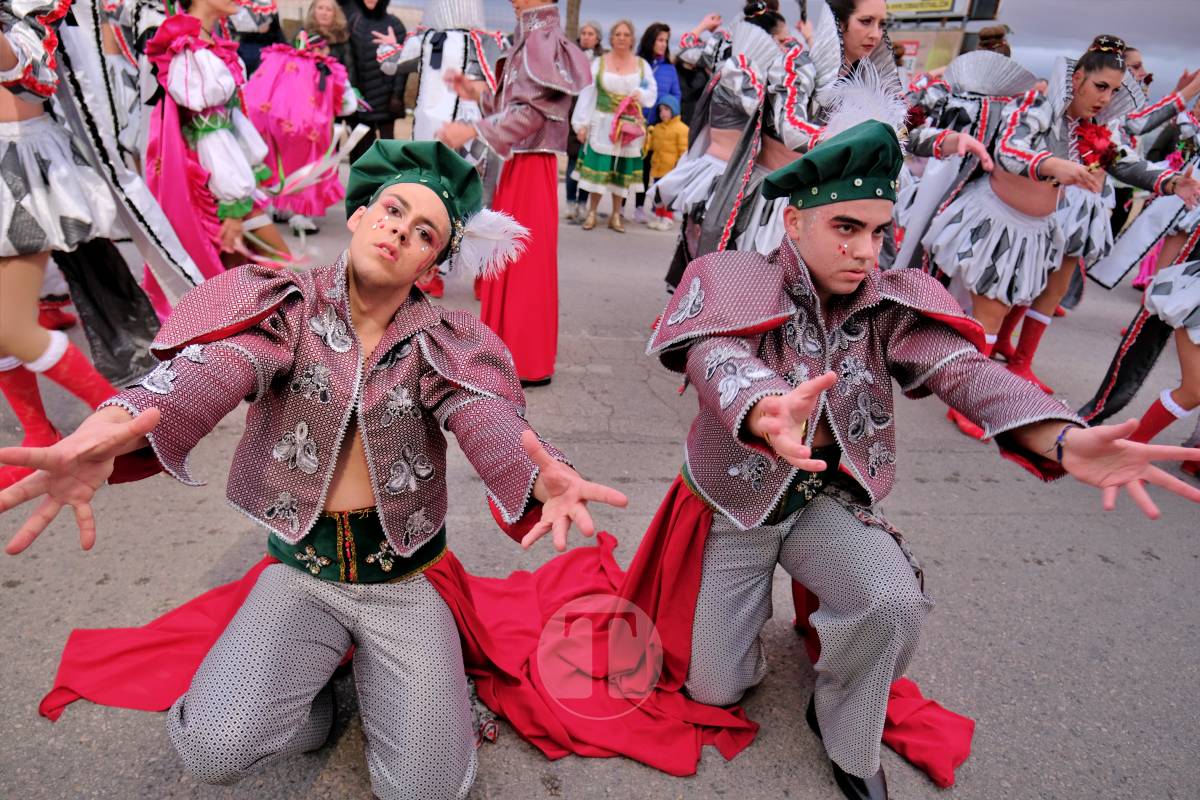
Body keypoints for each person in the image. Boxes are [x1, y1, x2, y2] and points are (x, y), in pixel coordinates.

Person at [0, 140, 630, 800]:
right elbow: (216, 368)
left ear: (431, 264)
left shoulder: (444, 338)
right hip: (302, 574)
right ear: (359, 215)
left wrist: (540, 472)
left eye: (424, 233)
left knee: (426, 790)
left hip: (405, 578)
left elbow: (482, 413)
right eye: (392, 209)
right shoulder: (283, 307)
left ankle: (394, 685)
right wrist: (124, 417)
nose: (399, 231)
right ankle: (326, 698)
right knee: (212, 747)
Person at [641, 119, 1200, 800]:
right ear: (793, 221)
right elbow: (713, 354)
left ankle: (845, 724)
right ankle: (745, 633)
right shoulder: (731, 276)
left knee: (894, 601)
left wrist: (1059, 435)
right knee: (716, 689)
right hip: (739, 503)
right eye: (846, 228)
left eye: (879, 232)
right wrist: (763, 407)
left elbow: (964, 371)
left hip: (825, 499)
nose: (865, 252)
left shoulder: (890, 302)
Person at [920, 36, 1199, 437]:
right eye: (1100, 87)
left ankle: (961, 380)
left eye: (1114, 91)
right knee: (990, 315)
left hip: (1034, 232)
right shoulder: (1037, 107)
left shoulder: (1095, 129)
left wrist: (1172, 183)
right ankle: (967, 399)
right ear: (1079, 77)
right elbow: (1009, 151)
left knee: (997, 313)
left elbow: (1125, 161)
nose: (1106, 98)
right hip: (997, 221)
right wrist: (1055, 165)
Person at [0, 0, 123, 489]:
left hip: (18, 166)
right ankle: (40, 431)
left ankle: (121, 421)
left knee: (12, 328)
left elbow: (34, 77)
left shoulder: (26, 12)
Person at [438, 0, 591, 386]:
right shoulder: (532, 35)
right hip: (522, 162)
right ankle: (509, 352)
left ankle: (525, 359)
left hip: (532, 164)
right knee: (509, 256)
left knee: (523, 261)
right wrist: (475, 94)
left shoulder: (542, 37)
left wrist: (473, 130)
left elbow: (535, 114)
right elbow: (516, 106)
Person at [140, 0, 294, 318]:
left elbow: (227, 127)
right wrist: (232, 208)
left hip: (226, 183)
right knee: (281, 269)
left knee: (231, 287)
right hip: (216, 192)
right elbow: (207, 135)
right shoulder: (188, 49)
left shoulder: (208, 42)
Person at [570, 20, 657, 233]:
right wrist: (580, 124)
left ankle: (616, 215)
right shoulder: (599, 63)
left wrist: (641, 94)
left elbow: (652, 91)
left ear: (631, 39)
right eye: (617, 34)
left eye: (626, 34)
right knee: (599, 169)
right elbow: (588, 93)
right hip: (602, 123)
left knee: (622, 169)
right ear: (611, 38)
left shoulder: (641, 65)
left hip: (628, 126)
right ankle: (592, 212)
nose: (621, 38)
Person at [344, 0, 406, 163]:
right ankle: (363, 187)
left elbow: (402, 64)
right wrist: (352, 91)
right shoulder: (354, 22)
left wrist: (397, 96)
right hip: (361, 99)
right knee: (362, 152)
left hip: (387, 99)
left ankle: (390, 186)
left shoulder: (394, 24)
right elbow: (348, 58)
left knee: (388, 150)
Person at [633, 22, 680, 223]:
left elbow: (676, 94)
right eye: (660, 40)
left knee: (655, 168)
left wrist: (667, 108)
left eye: (666, 41)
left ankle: (651, 207)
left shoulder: (669, 68)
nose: (663, 44)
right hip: (636, 124)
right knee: (636, 167)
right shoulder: (637, 64)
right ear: (650, 40)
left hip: (659, 128)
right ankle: (631, 206)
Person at [564, 21, 604, 224]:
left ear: (598, 38)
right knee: (573, 160)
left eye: (591, 33)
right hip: (573, 112)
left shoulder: (603, 60)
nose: (587, 37)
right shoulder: (571, 56)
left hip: (594, 116)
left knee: (589, 163)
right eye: (584, 33)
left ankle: (583, 203)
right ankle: (571, 202)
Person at [644, 95, 689, 231]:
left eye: (666, 109)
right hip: (658, 167)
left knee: (668, 196)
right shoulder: (657, 128)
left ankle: (667, 218)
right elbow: (650, 147)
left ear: (674, 110)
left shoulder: (682, 129)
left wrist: (680, 167)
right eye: (660, 110)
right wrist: (649, 135)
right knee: (658, 196)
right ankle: (658, 217)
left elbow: (684, 151)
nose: (663, 113)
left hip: (671, 169)